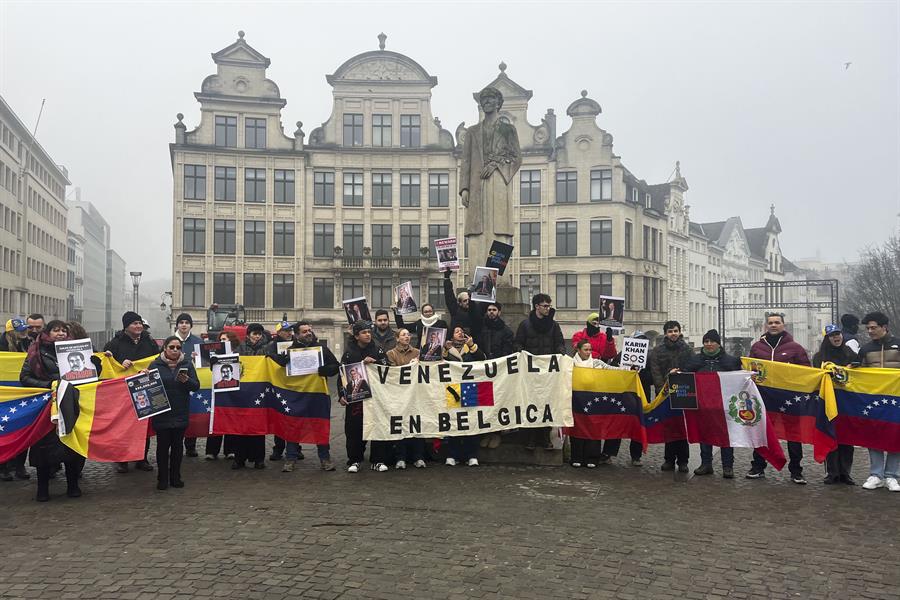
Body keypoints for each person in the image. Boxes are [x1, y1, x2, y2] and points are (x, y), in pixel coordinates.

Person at [19, 320, 87, 501]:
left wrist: (96, 362)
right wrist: (49, 385)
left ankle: (73, 485)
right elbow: (24, 377)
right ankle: (43, 489)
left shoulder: (76, 348)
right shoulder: (37, 351)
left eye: (64, 330)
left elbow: (88, 372)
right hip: (47, 406)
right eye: (56, 330)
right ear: (48, 332)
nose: (61, 333)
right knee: (43, 448)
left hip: (69, 402)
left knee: (70, 444)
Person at [746, 312, 810, 483]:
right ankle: (758, 466)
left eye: (777, 322)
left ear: (783, 325)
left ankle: (796, 470)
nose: (773, 325)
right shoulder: (757, 347)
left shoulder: (795, 348)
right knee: (762, 433)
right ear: (766, 326)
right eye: (770, 323)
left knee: (793, 435)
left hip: (789, 398)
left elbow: (806, 371)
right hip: (764, 398)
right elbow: (748, 369)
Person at [270, 321, 340, 472]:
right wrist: (279, 361)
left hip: (318, 395)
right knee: (293, 426)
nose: (308, 333)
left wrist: (325, 370)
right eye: (304, 331)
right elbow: (278, 369)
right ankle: (291, 459)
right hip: (297, 396)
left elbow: (336, 367)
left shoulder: (322, 349)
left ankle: (325, 458)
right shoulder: (290, 351)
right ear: (296, 335)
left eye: (309, 330)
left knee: (320, 426)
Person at [681, 329, 742, 478]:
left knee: (726, 436)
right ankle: (706, 464)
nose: (709, 344)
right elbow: (685, 376)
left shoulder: (731, 361)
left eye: (712, 341)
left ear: (718, 343)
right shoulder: (695, 360)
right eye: (706, 342)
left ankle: (727, 466)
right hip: (703, 406)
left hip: (724, 406)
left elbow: (739, 381)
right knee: (705, 435)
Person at [105, 311, 160, 473]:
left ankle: (141, 458)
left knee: (144, 426)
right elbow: (107, 364)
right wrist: (119, 362)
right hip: (123, 393)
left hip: (144, 388)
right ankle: (122, 459)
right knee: (124, 426)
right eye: (134, 323)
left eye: (140, 323)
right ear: (126, 326)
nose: (138, 326)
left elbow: (157, 360)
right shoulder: (115, 343)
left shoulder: (149, 342)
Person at [148, 336, 200, 491]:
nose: (175, 350)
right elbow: (146, 386)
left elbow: (196, 386)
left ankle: (175, 477)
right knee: (162, 447)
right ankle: (162, 478)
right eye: (172, 347)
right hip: (161, 412)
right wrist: (143, 375)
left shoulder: (187, 364)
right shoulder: (155, 365)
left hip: (180, 412)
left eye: (178, 348)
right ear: (165, 348)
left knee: (177, 447)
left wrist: (187, 380)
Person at [514, 293, 565, 451]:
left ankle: (545, 438)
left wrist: (560, 353)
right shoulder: (525, 325)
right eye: (545, 306)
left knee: (547, 404)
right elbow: (518, 343)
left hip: (548, 373)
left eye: (549, 306)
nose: (548, 309)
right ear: (536, 306)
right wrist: (521, 352)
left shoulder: (554, 326)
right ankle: (530, 438)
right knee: (530, 403)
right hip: (530, 373)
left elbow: (560, 343)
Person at [857, 311, 900, 492]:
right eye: (868, 328)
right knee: (873, 435)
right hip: (873, 399)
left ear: (884, 327)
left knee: (896, 435)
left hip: (896, 399)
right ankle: (876, 474)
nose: (870, 331)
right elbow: (859, 372)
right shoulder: (865, 349)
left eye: (873, 327)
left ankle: (892, 475)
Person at [570, 339, 631, 468]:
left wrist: (629, 370)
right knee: (578, 427)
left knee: (593, 428)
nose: (588, 352)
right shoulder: (570, 364)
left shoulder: (597, 363)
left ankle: (592, 457)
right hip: (576, 400)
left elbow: (613, 370)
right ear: (578, 350)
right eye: (585, 349)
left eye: (590, 349)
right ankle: (577, 457)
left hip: (593, 401)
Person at [340, 320, 391, 473]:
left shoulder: (378, 350)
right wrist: (342, 395)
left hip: (376, 398)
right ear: (356, 336)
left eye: (369, 332)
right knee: (354, 429)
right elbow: (342, 374)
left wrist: (376, 364)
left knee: (377, 427)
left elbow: (388, 369)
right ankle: (355, 460)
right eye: (364, 332)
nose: (368, 334)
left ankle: (377, 460)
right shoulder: (349, 353)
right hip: (356, 399)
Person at [812, 324, 859, 485]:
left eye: (838, 334)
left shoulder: (851, 354)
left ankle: (845, 472)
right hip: (828, 402)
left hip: (848, 402)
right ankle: (832, 472)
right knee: (830, 435)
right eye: (832, 335)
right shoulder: (819, 357)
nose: (836, 337)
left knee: (847, 437)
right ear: (827, 338)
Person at [648, 320, 693, 473]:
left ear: (679, 332)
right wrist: (663, 389)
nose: (673, 334)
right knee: (669, 427)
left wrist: (681, 373)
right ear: (665, 333)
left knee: (681, 428)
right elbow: (655, 371)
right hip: (665, 394)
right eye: (670, 331)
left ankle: (683, 461)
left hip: (683, 392)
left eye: (675, 331)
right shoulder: (658, 351)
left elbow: (691, 368)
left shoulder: (687, 349)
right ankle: (669, 460)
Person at [442, 326, 487, 466]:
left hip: (469, 388)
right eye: (457, 331)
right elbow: (436, 363)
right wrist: (444, 350)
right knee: (454, 421)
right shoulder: (447, 350)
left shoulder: (471, 348)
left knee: (471, 422)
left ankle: (471, 455)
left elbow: (483, 359)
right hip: (452, 389)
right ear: (451, 336)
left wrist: (472, 345)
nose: (460, 333)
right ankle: (452, 454)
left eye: (462, 331)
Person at [387, 328, 425, 469]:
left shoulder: (417, 353)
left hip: (416, 395)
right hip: (400, 396)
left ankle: (418, 457)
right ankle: (400, 457)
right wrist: (409, 367)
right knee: (401, 425)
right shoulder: (391, 354)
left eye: (408, 334)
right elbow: (392, 374)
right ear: (397, 338)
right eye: (403, 335)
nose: (407, 337)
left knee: (417, 425)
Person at [232, 323, 267, 470]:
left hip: (259, 391)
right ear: (248, 335)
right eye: (254, 333)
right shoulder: (239, 349)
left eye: (259, 334)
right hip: (243, 391)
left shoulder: (267, 348)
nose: (257, 336)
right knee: (241, 427)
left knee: (258, 427)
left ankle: (258, 458)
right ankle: (239, 458)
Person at [1, 317, 32, 482]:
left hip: (24, 393)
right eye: (20, 330)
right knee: (4, 431)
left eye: (24, 329)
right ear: (11, 332)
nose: (24, 332)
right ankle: (4, 466)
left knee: (23, 430)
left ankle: (20, 466)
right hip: (5, 395)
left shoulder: (28, 344)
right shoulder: (2, 347)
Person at [204, 330, 241, 461]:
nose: (222, 342)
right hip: (218, 390)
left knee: (231, 418)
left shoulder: (238, 354)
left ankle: (230, 450)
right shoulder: (214, 355)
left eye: (225, 339)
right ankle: (211, 451)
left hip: (233, 391)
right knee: (216, 417)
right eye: (221, 340)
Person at [173, 312, 203, 457]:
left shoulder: (198, 342)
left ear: (191, 325)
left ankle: (191, 445)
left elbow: (206, 362)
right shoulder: (170, 341)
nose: (184, 325)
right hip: (174, 383)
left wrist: (198, 359)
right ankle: (174, 444)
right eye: (181, 322)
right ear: (177, 325)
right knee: (175, 414)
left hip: (192, 382)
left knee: (193, 412)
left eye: (186, 322)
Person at [265, 321, 296, 462]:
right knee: (280, 417)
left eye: (290, 330)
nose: (289, 333)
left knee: (294, 419)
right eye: (286, 331)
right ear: (278, 333)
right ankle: (278, 449)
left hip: (294, 385)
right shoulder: (271, 346)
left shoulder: (297, 343)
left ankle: (296, 448)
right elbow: (269, 359)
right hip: (278, 385)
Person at [443, 268, 481, 335]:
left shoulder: (475, 310)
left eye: (468, 300)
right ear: (460, 303)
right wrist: (447, 278)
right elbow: (449, 296)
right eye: (465, 301)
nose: (467, 302)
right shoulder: (456, 311)